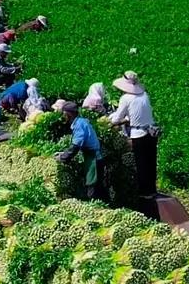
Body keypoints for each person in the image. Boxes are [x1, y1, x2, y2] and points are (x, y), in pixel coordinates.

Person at [109, 72, 158, 201]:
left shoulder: (126, 98)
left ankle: (144, 193)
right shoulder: (144, 95)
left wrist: (111, 121)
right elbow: (137, 114)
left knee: (141, 163)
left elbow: (117, 118)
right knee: (151, 162)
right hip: (151, 132)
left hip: (138, 134)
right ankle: (152, 190)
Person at [57, 102, 104, 200]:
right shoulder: (81, 121)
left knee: (92, 186)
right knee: (96, 186)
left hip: (93, 159)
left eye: (63, 114)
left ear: (68, 114)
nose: (62, 117)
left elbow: (75, 146)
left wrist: (63, 158)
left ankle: (96, 208)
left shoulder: (79, 125)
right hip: (91, 156)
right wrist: (63, 153)